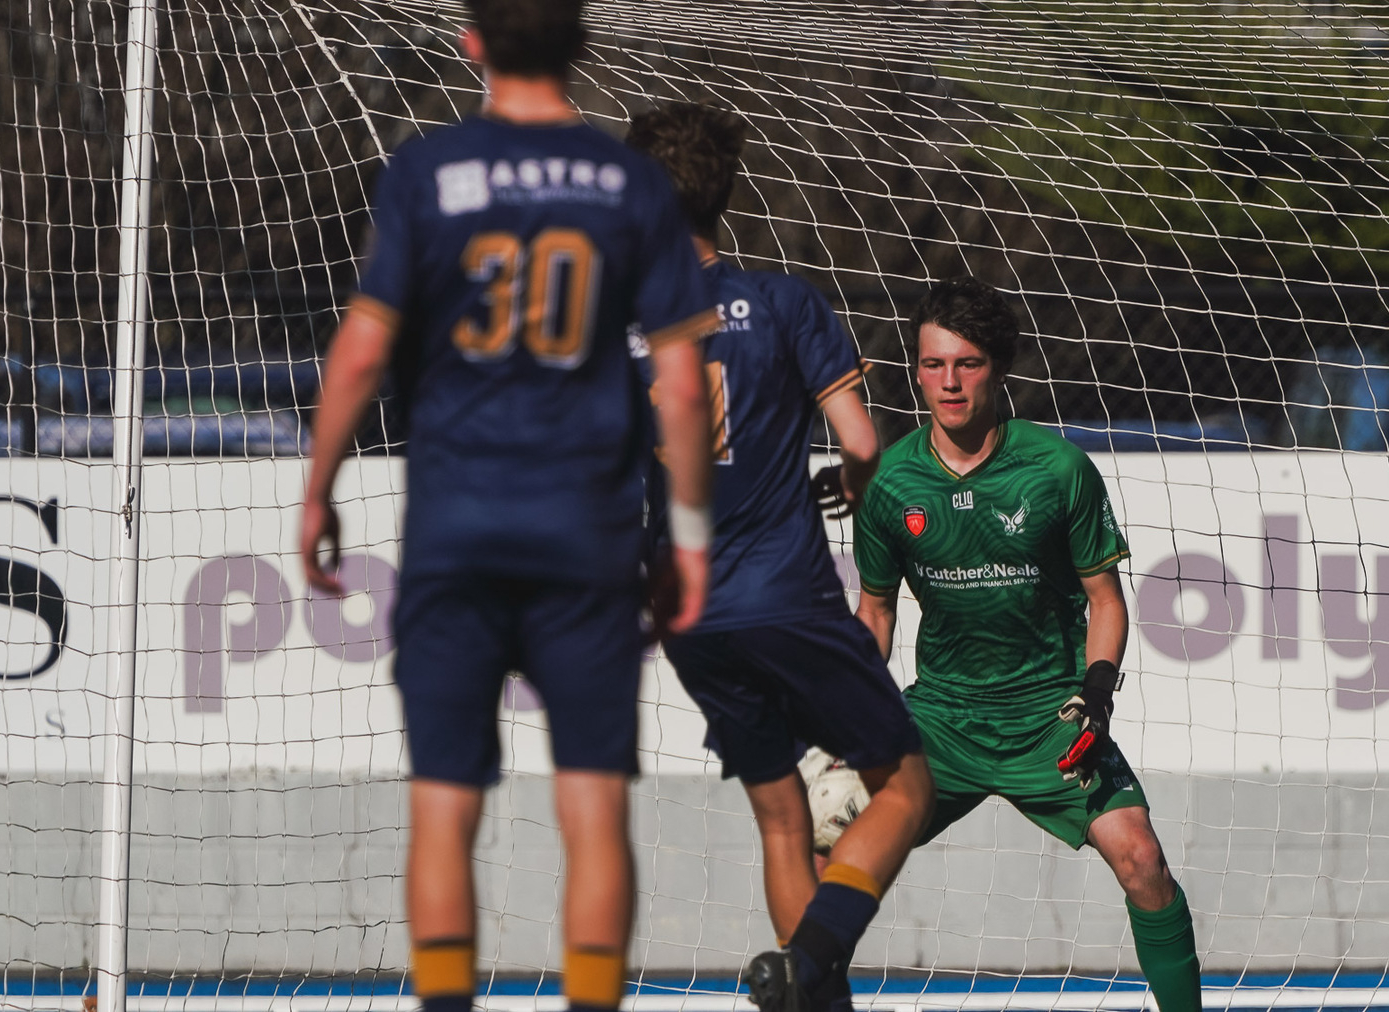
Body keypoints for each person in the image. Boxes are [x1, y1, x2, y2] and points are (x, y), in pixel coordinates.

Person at [298, 4, 719, 1011]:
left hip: (455, 533)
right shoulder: (628, 183)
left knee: (442, 808)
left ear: (470, 42)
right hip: (584, 537)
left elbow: (360, 350)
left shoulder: (426, 171)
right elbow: (679, 382)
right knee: (592, 801)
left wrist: (317, 489)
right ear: (579, 43)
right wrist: (690, 538)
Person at [624, 101, 934, 1012]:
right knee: (904, 789)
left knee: (779, 817)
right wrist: (849, 481)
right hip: (785, 595)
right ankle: (812, 960)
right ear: (725, 193)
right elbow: (864, 444)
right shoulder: (787, 301)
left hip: (687, 610)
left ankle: (810, 1003)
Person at [849, 276, 1202, 1012]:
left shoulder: (1057, 470)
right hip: (940, 722)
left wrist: (1098, 690)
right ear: (914, 369)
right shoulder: (888, 480)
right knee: (831, 855)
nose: (948, 382)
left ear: (999, 369)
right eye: (932, 364)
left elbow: (1105, 600)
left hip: (1053, 717)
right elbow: (875, 612)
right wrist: (839, 703)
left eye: (967, 363)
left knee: (1141, 859)